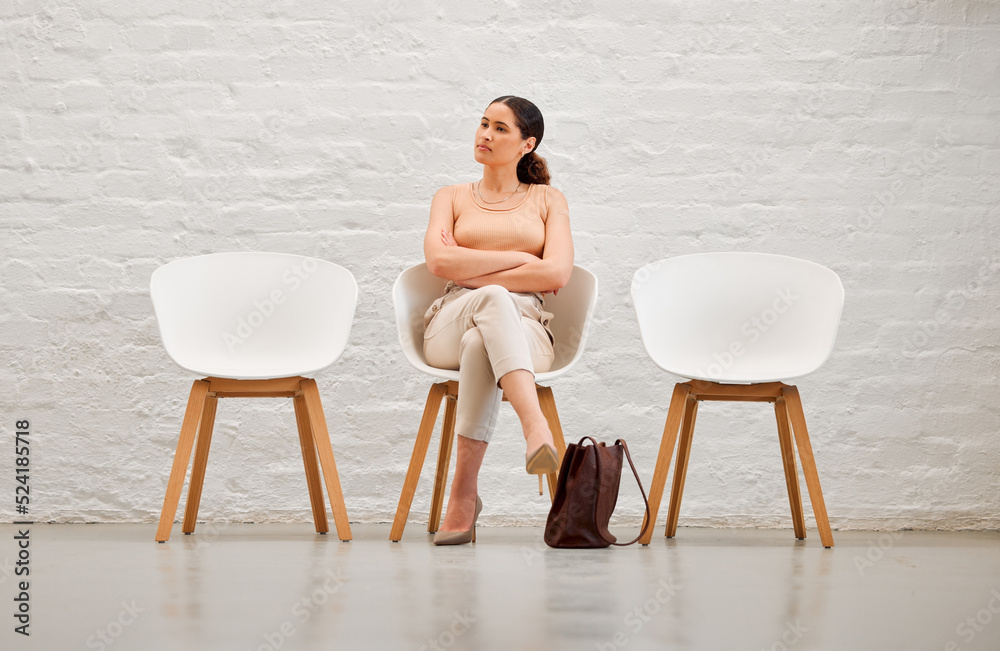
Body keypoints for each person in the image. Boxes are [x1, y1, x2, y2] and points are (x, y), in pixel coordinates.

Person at [422, 95, 574, 545]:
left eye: (501, 129)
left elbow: (558, 273)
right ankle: (534, 426)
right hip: (452, 318)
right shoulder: (449, 196)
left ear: (527, 144)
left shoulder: (548, 199)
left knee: (479, 347)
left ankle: (463, 494)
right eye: (484, 124)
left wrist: (466, 260)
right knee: (488, 301)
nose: (485, 134)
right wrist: (519, 258)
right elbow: (437, 263)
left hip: (527, 329)